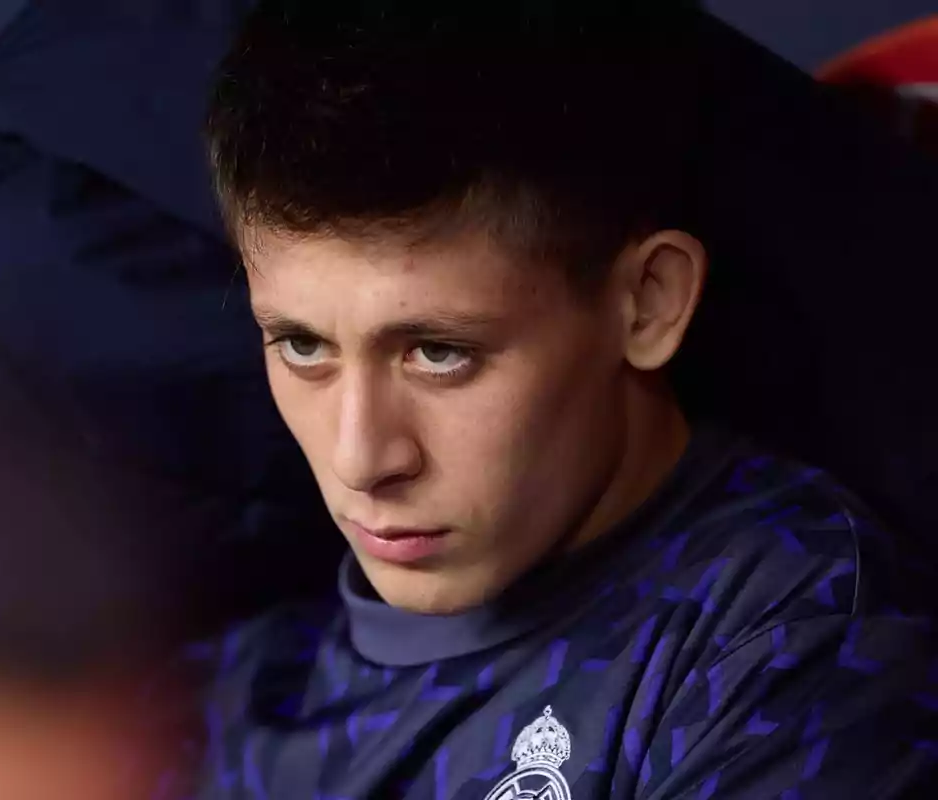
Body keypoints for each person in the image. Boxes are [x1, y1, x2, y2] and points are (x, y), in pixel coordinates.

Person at [172, 1, 938, 797]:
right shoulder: (199, 703)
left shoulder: (790, 650)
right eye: (303, 346)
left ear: (648, 302)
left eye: (439, 353)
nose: (360, 457)